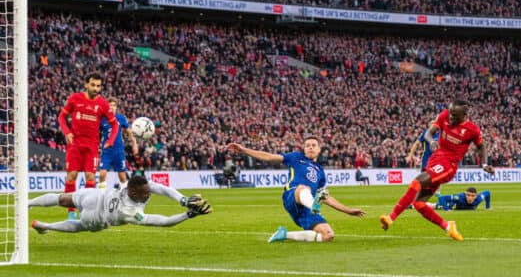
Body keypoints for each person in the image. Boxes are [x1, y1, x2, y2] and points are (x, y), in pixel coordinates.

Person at [379, 100, 495, 241]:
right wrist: (431, 141)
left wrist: (484, 164)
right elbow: (428, 133)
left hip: (449, 165)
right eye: (450, 113)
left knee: (418, 181)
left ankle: (390, 218)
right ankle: (448, 227)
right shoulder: (444, 115)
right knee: (419, 204)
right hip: (435, 159)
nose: (450, 117)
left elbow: (481, 146)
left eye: (454, 115)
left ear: (464, 115)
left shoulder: (472, 130)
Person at [227, 137, 365, 243]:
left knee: (328, 235)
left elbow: (325, 196)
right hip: (292, 196)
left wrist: (348, 211)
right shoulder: (296, 157)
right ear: (304, 149)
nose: (310, 147)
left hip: (306, 208)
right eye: (307, 145)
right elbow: (269, 157)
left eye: (313, 145)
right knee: (302, 188)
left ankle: (284, 234)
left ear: (319, 149)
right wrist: (243, 150)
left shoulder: (320, 172)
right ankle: (314, 206)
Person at [29, 175, 212, 233]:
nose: (149, 193)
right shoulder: (130, 211)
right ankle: (45, 224)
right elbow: (163, 222)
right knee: (79, 224)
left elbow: (163, 189)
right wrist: (188, 214)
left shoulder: (135, 185)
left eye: (148, 190)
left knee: (63, 199)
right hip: (97, 216)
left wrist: (184, 200)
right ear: (133, 193)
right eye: (145, 193)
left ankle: (31, 207)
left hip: (96, 196)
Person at [58, 72, 119, 220]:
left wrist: (110, 141)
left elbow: (114, 124)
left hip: (92, 146)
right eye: (93, 85)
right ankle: (71, 212)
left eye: (98, 86)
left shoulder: (103, 104)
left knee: (90, 176)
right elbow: (61, 117)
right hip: (75, 144)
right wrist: (67, 132)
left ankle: (88, 210)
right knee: (71, 176)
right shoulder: (75, 99)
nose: (95, 88)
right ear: (86, 84)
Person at [98, 97, 139, 189]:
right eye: (110, 105)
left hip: (119, 150)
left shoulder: (121, 118)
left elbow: (129, 132)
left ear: (116, 107)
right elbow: (96, 133)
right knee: (102, 174)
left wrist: (135, 144)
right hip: (106, 150)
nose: (112, 107)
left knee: (122, 176)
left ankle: (124, 197)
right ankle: (102, 197)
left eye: (114, 105)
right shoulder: (102, 119)